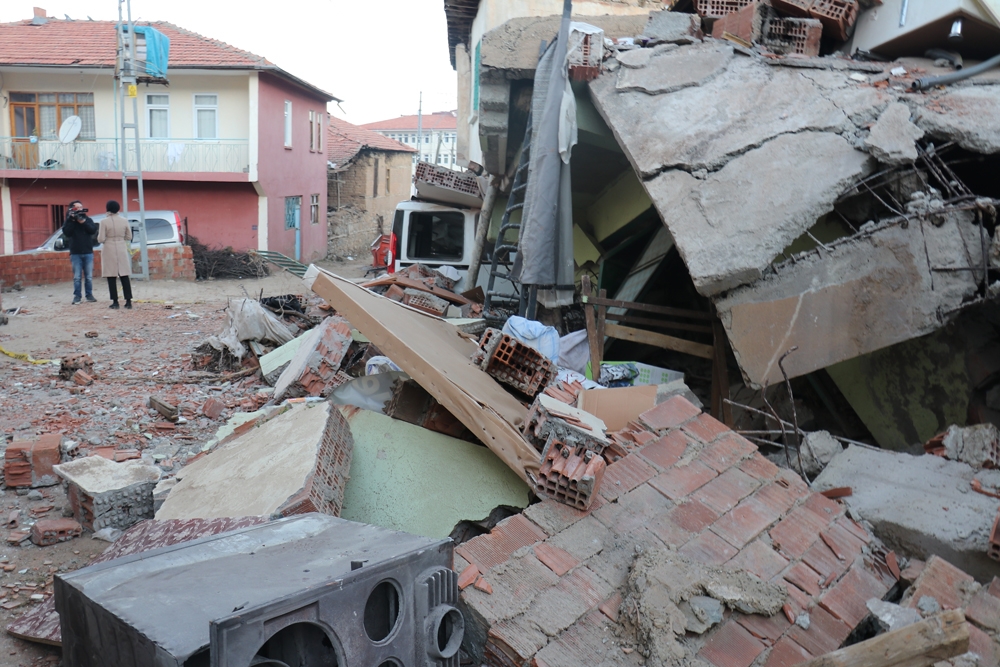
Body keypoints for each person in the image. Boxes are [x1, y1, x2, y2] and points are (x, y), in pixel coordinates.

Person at [97, 200, 134, 310]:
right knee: (124, 274)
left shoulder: (104, 221)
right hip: (121, 246)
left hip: (109, 247)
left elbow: (101, 239)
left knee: (111, 275)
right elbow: (129, 237)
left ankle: (115, 302)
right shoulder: (124, 220)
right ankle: (128, 301)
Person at [61, 200, 98, 304]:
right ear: (72, 209)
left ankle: (89, 295)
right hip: (76, 252)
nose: (79, 210)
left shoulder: (88, 219)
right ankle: (77, 296)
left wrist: (83, 222)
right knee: (77, 277)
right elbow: (67, 232)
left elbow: (93, 230)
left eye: (81, 207)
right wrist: (72, 220)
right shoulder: (69, 221)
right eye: (77, 208)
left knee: (89, 277)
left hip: (87, 251)